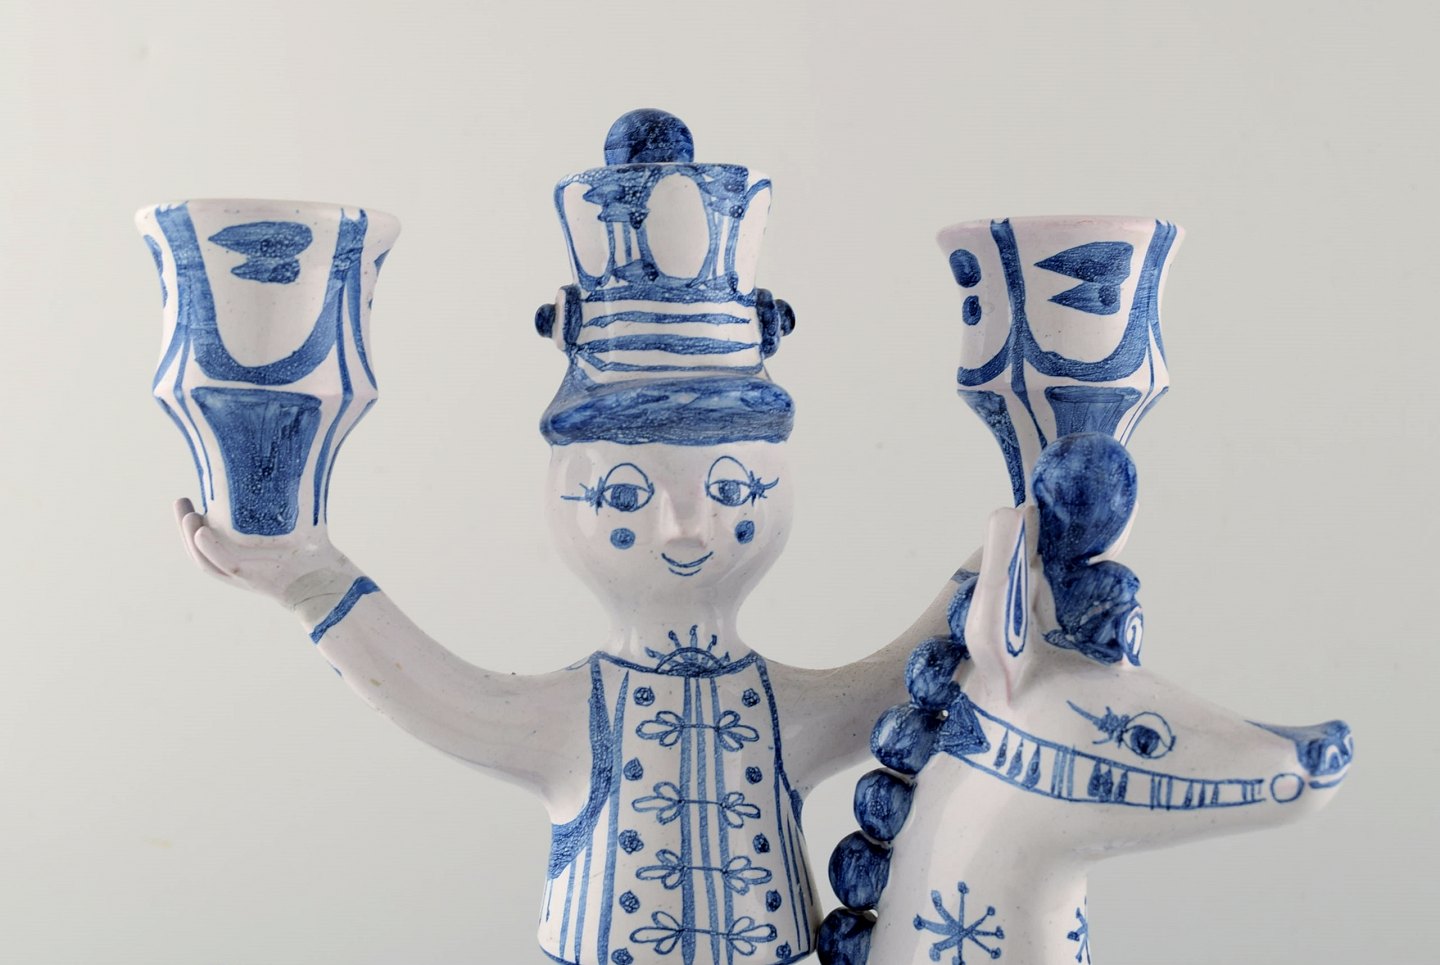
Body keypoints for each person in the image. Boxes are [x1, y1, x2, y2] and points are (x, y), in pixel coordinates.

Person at [173, 110, 962, 965]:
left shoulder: (779, 714)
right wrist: (308, 578)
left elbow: (908, 682)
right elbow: (436, 694)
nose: (684, 523)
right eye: (625, 494)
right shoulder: (576, 719)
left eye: (731, 488)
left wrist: (998, 564)